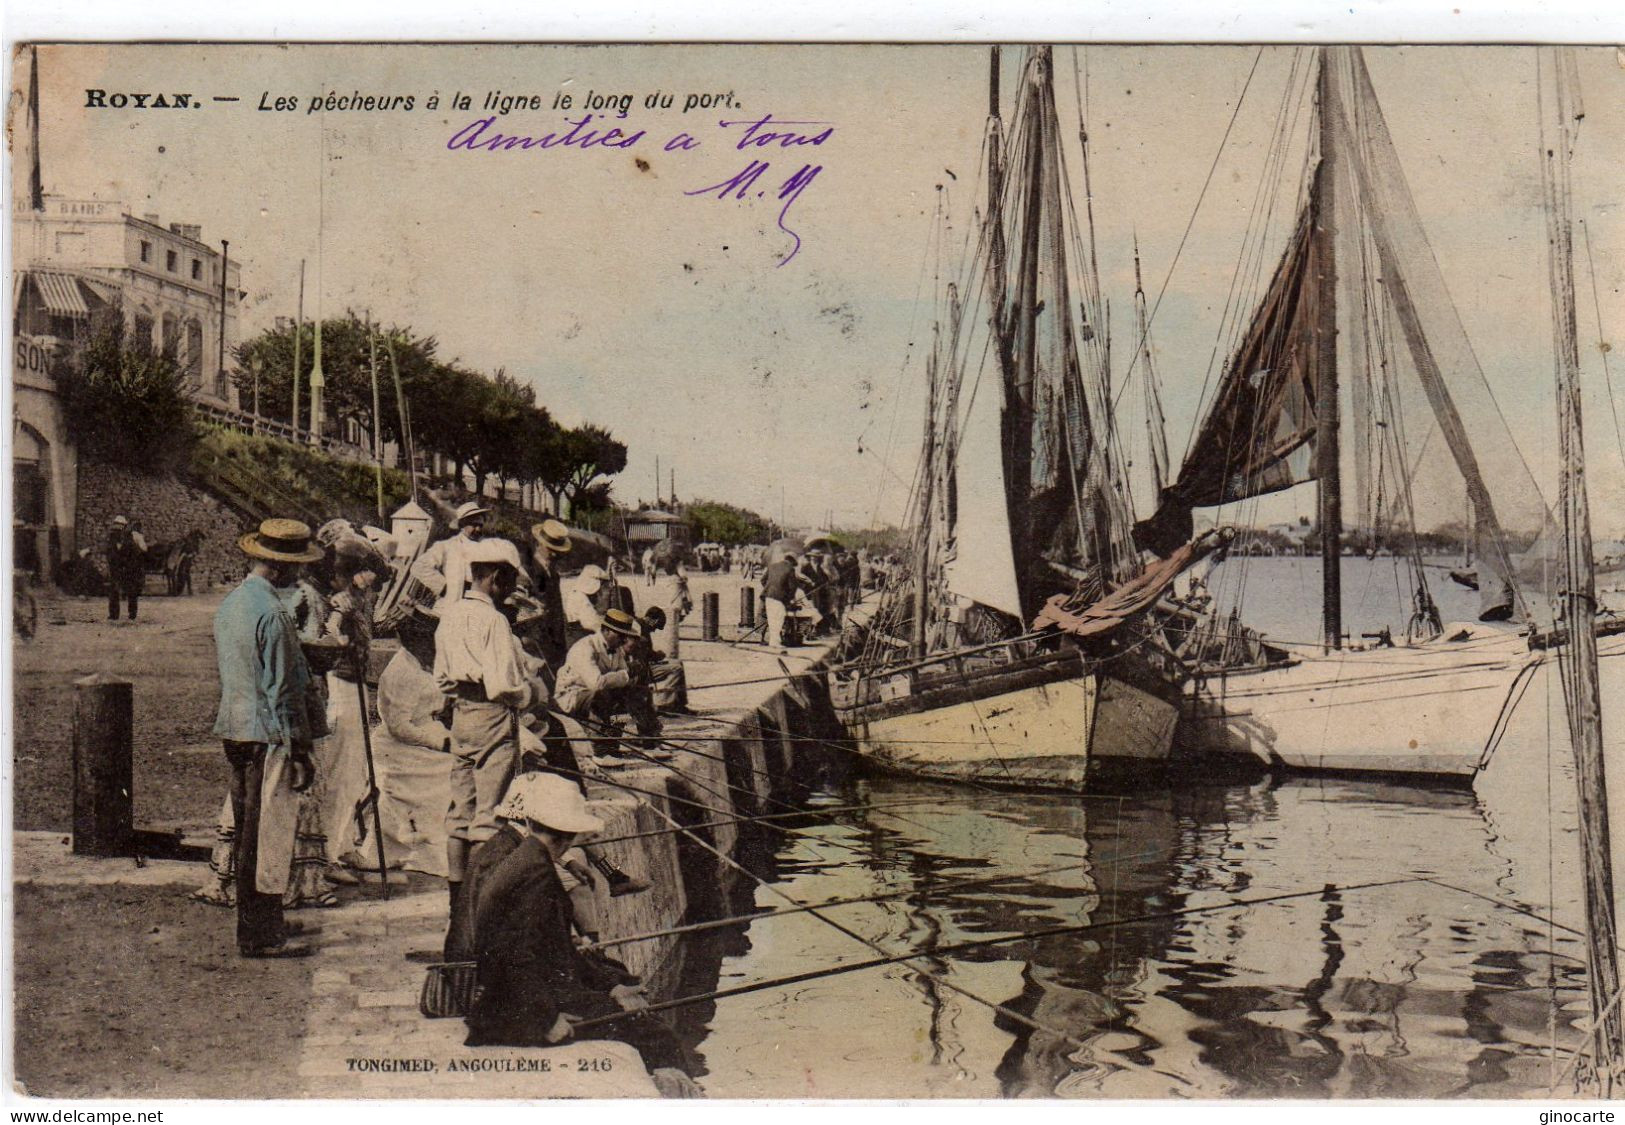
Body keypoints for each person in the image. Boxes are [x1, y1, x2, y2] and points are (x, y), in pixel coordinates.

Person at [464, 772, 698, 1095]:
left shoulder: (529, 860)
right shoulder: (536, 873)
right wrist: (548, 1020)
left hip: (527, 999)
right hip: (518, 1012)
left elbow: (554, 949)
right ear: (570, 835)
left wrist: (610, 986)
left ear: (532, 824)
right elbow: (512, 956)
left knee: (631, 1005)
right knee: (656, 1034)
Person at [211, 518, 326, 958]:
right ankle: (259, 934)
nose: (299, 573)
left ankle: (262, 919)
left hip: (235, 727)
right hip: (268, 735)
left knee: (245, 828)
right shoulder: (275, 615)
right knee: (267, 833)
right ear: (279, 568)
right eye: (295, 565)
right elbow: (282, 693)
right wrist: (300, 750)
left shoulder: (232, 603)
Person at [433, 536, 540, 955]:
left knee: (458, 813)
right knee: (488, 816)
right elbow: (502, 685)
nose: (512, 589)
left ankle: (455, 909)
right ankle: (477, 917)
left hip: (461, 714)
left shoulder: (449, 615)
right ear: (495, 577)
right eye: (510, 580)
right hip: (493, 715)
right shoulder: (495, 623)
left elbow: (441, 678)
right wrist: (527, 693)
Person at [555, 608, 665, 765]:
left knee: (639, 693)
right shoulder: (585, 647)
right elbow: (597, 683)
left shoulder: (616, 648)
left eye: (624, 635)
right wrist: (627, 674)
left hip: (598, 693)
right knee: (603, 695)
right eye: (620, 635)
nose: (623, 639)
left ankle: (647, 742)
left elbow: (623, 680)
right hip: (572, 695)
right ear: (606, 631)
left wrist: (634, 680)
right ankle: (599, 751)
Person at [410, 501, 491, 616]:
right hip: (450, 606)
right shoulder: (447, 546)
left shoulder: (486, 550)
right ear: (462, 524)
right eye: (473, 525)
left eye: (480, 525)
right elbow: (419, 566)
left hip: (476, 608)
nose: (478, 529)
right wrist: (444, 587)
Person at [525, 519, 574, 668]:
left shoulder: (554, 573)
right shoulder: (528, 570)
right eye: (550, 549)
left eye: (557, 551)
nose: (554, 555)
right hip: (537, 639)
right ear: (539, 544)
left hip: (556, 639)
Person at [105, 515, 145, 622]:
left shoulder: (128, 539)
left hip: (128, 569)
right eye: (116, 528)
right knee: (115, 591)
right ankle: (115, 615)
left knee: (130, 592)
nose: (117, 530)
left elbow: (136, 554)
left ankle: (131, 615)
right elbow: (110, 554)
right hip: (118, 569)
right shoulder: (113, 539)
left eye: (120, 527)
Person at [762, 551, 799, 649]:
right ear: (792, 561)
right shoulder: (790, 569)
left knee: (771, 619)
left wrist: (770, 588)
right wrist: (790, 599)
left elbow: (763, 580)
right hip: (779, 597)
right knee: (779, 619)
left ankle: (772, 641)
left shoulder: (772, 566)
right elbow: (793, 587)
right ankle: (776, 642)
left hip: (768, 596)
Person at [564, 563, 608, 646]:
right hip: (580, 638)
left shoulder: (575, 592)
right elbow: (592, 623)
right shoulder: (580, 598)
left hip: (577, 633)